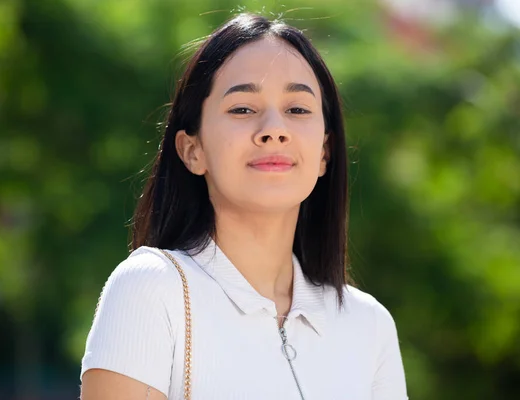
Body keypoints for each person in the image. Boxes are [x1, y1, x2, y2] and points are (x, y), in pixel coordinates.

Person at [80, 13, 407, 400]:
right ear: (192, 150)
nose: (274, 129)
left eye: (297, 109)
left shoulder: (368, 325)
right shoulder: (151, 290)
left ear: (324, 152)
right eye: (242, 109)